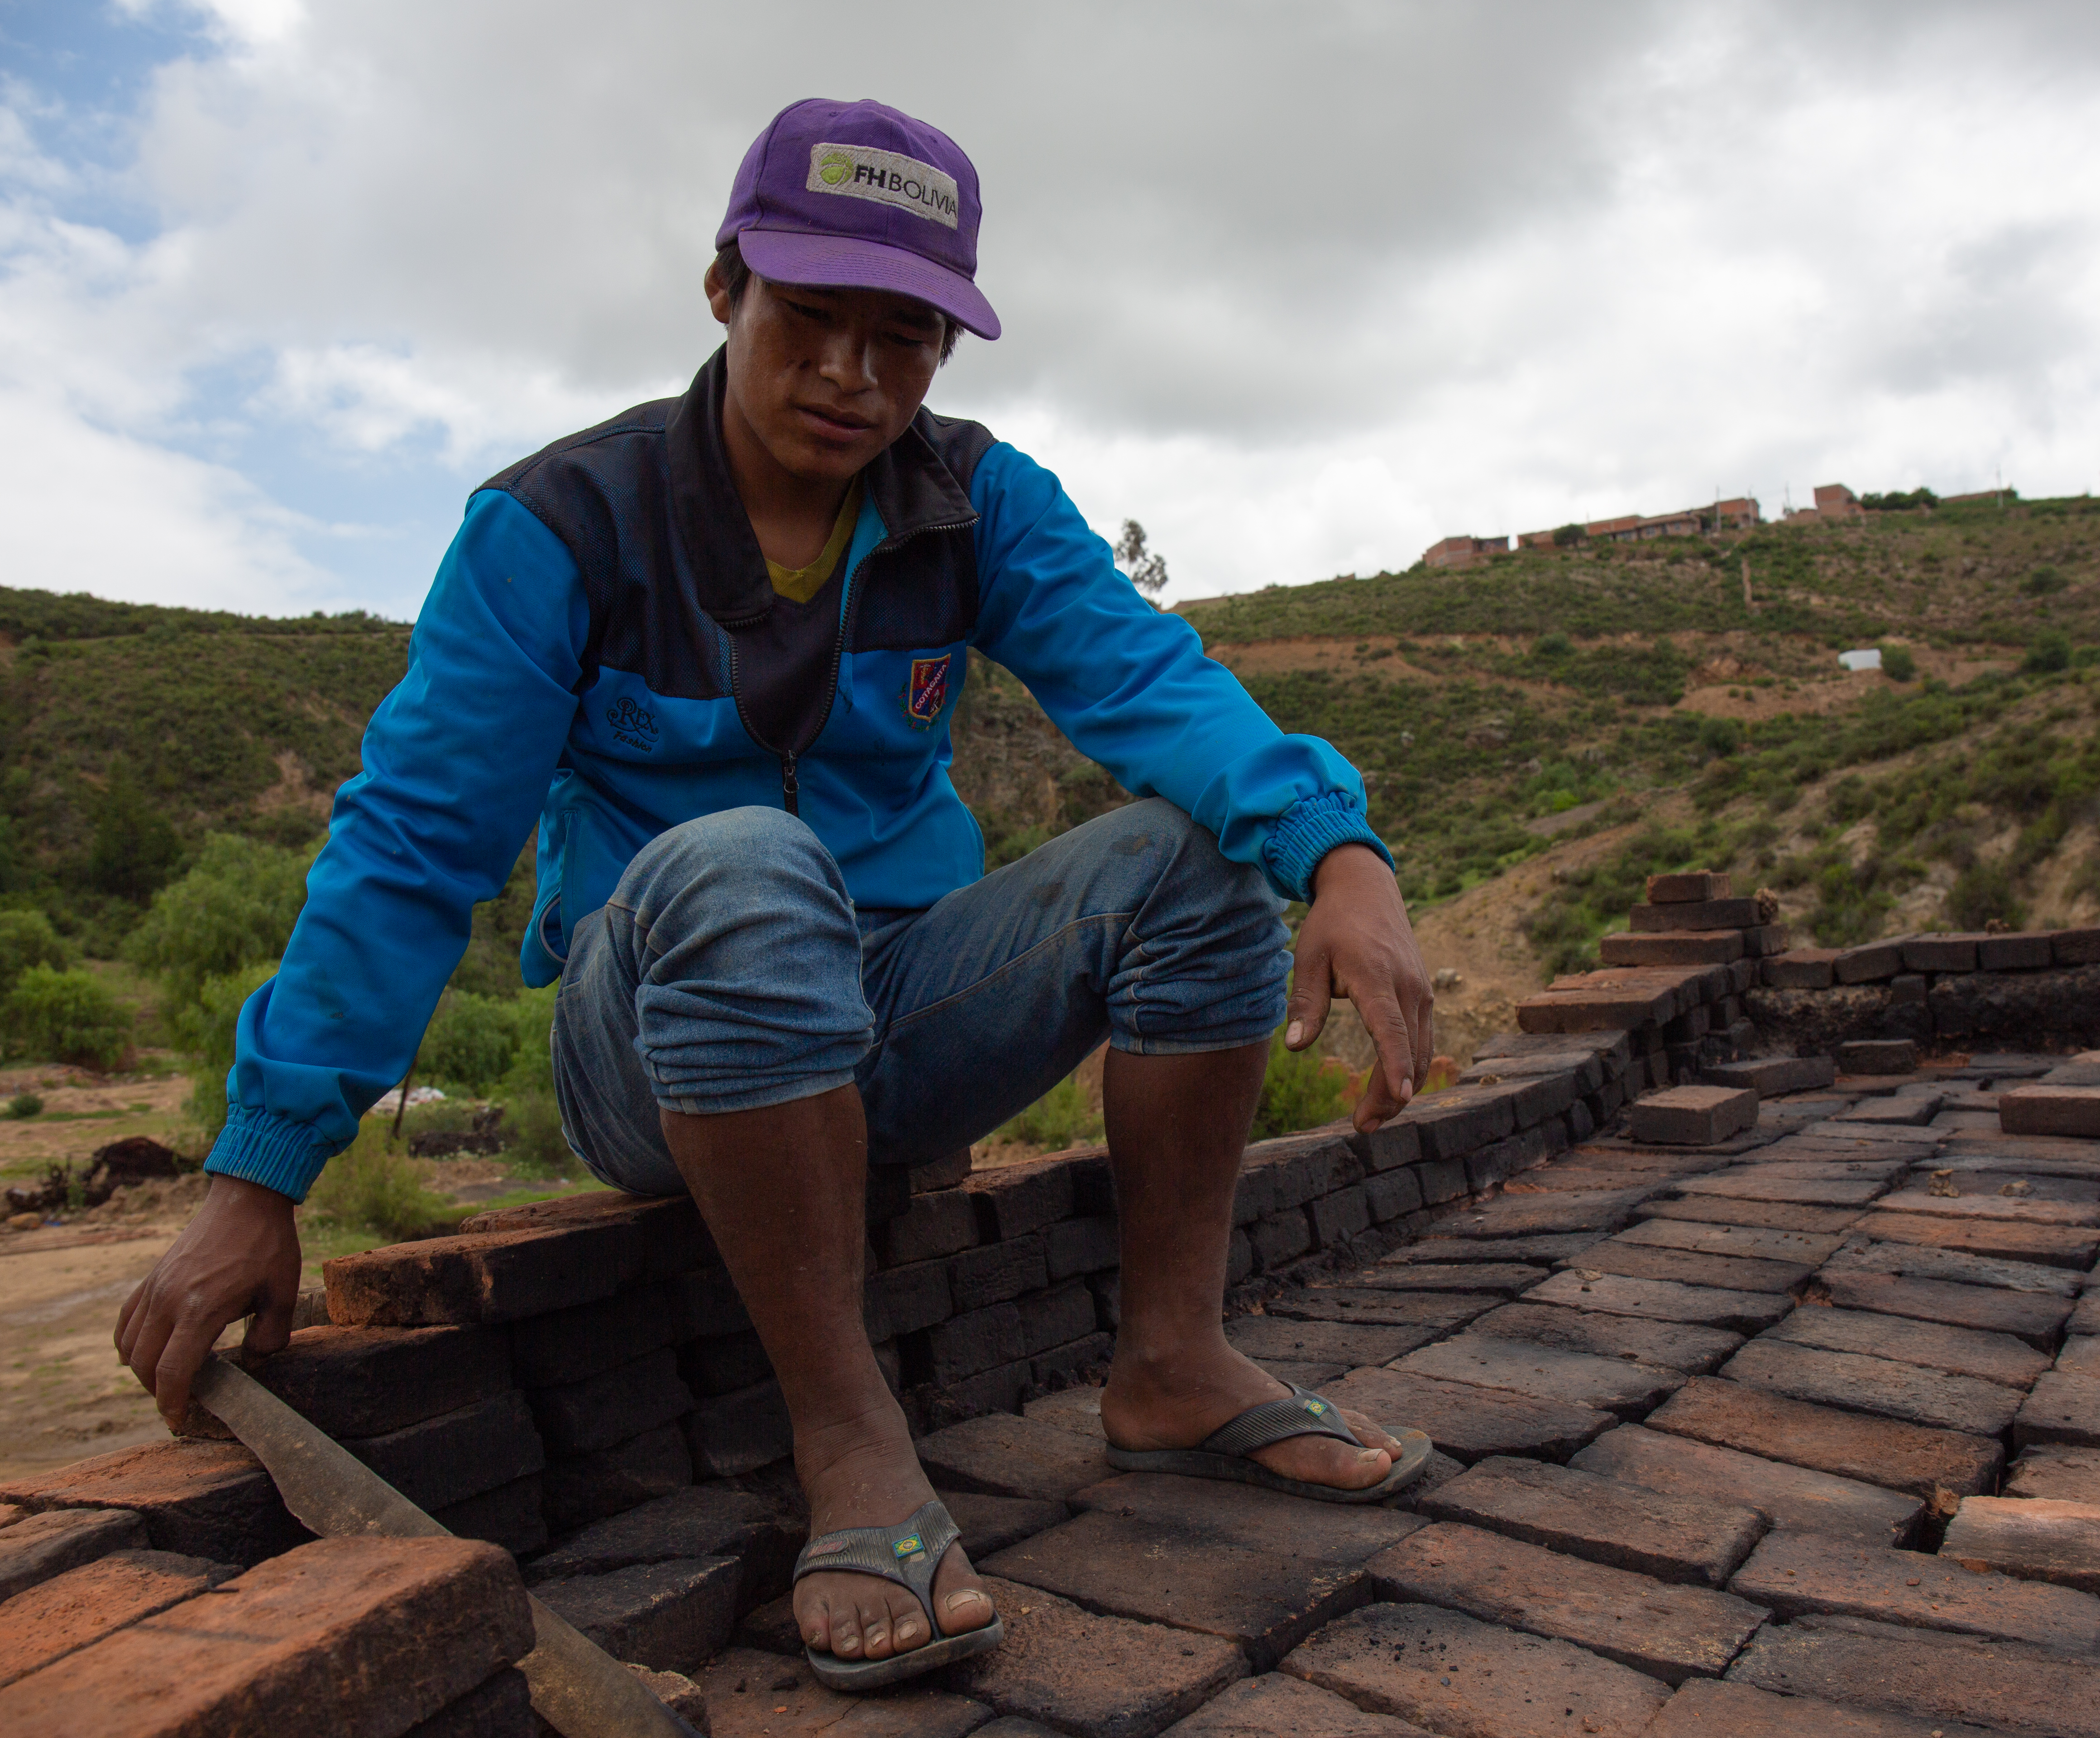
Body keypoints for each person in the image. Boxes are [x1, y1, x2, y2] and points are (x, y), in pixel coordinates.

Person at [115, 96, 1434, 1691]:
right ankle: (853, 1443)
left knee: (1202, 860)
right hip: (658, 1041)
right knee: (749, 864)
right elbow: (412, 848)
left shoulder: (977, 504)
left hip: (892, 1018)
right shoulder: (561, 527)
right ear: (726, 286)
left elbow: (1158, 686)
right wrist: (261, 1177)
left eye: (906, 339)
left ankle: (1172, 1361)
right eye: (809, 319)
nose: (852, 379)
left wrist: (1342, 855)